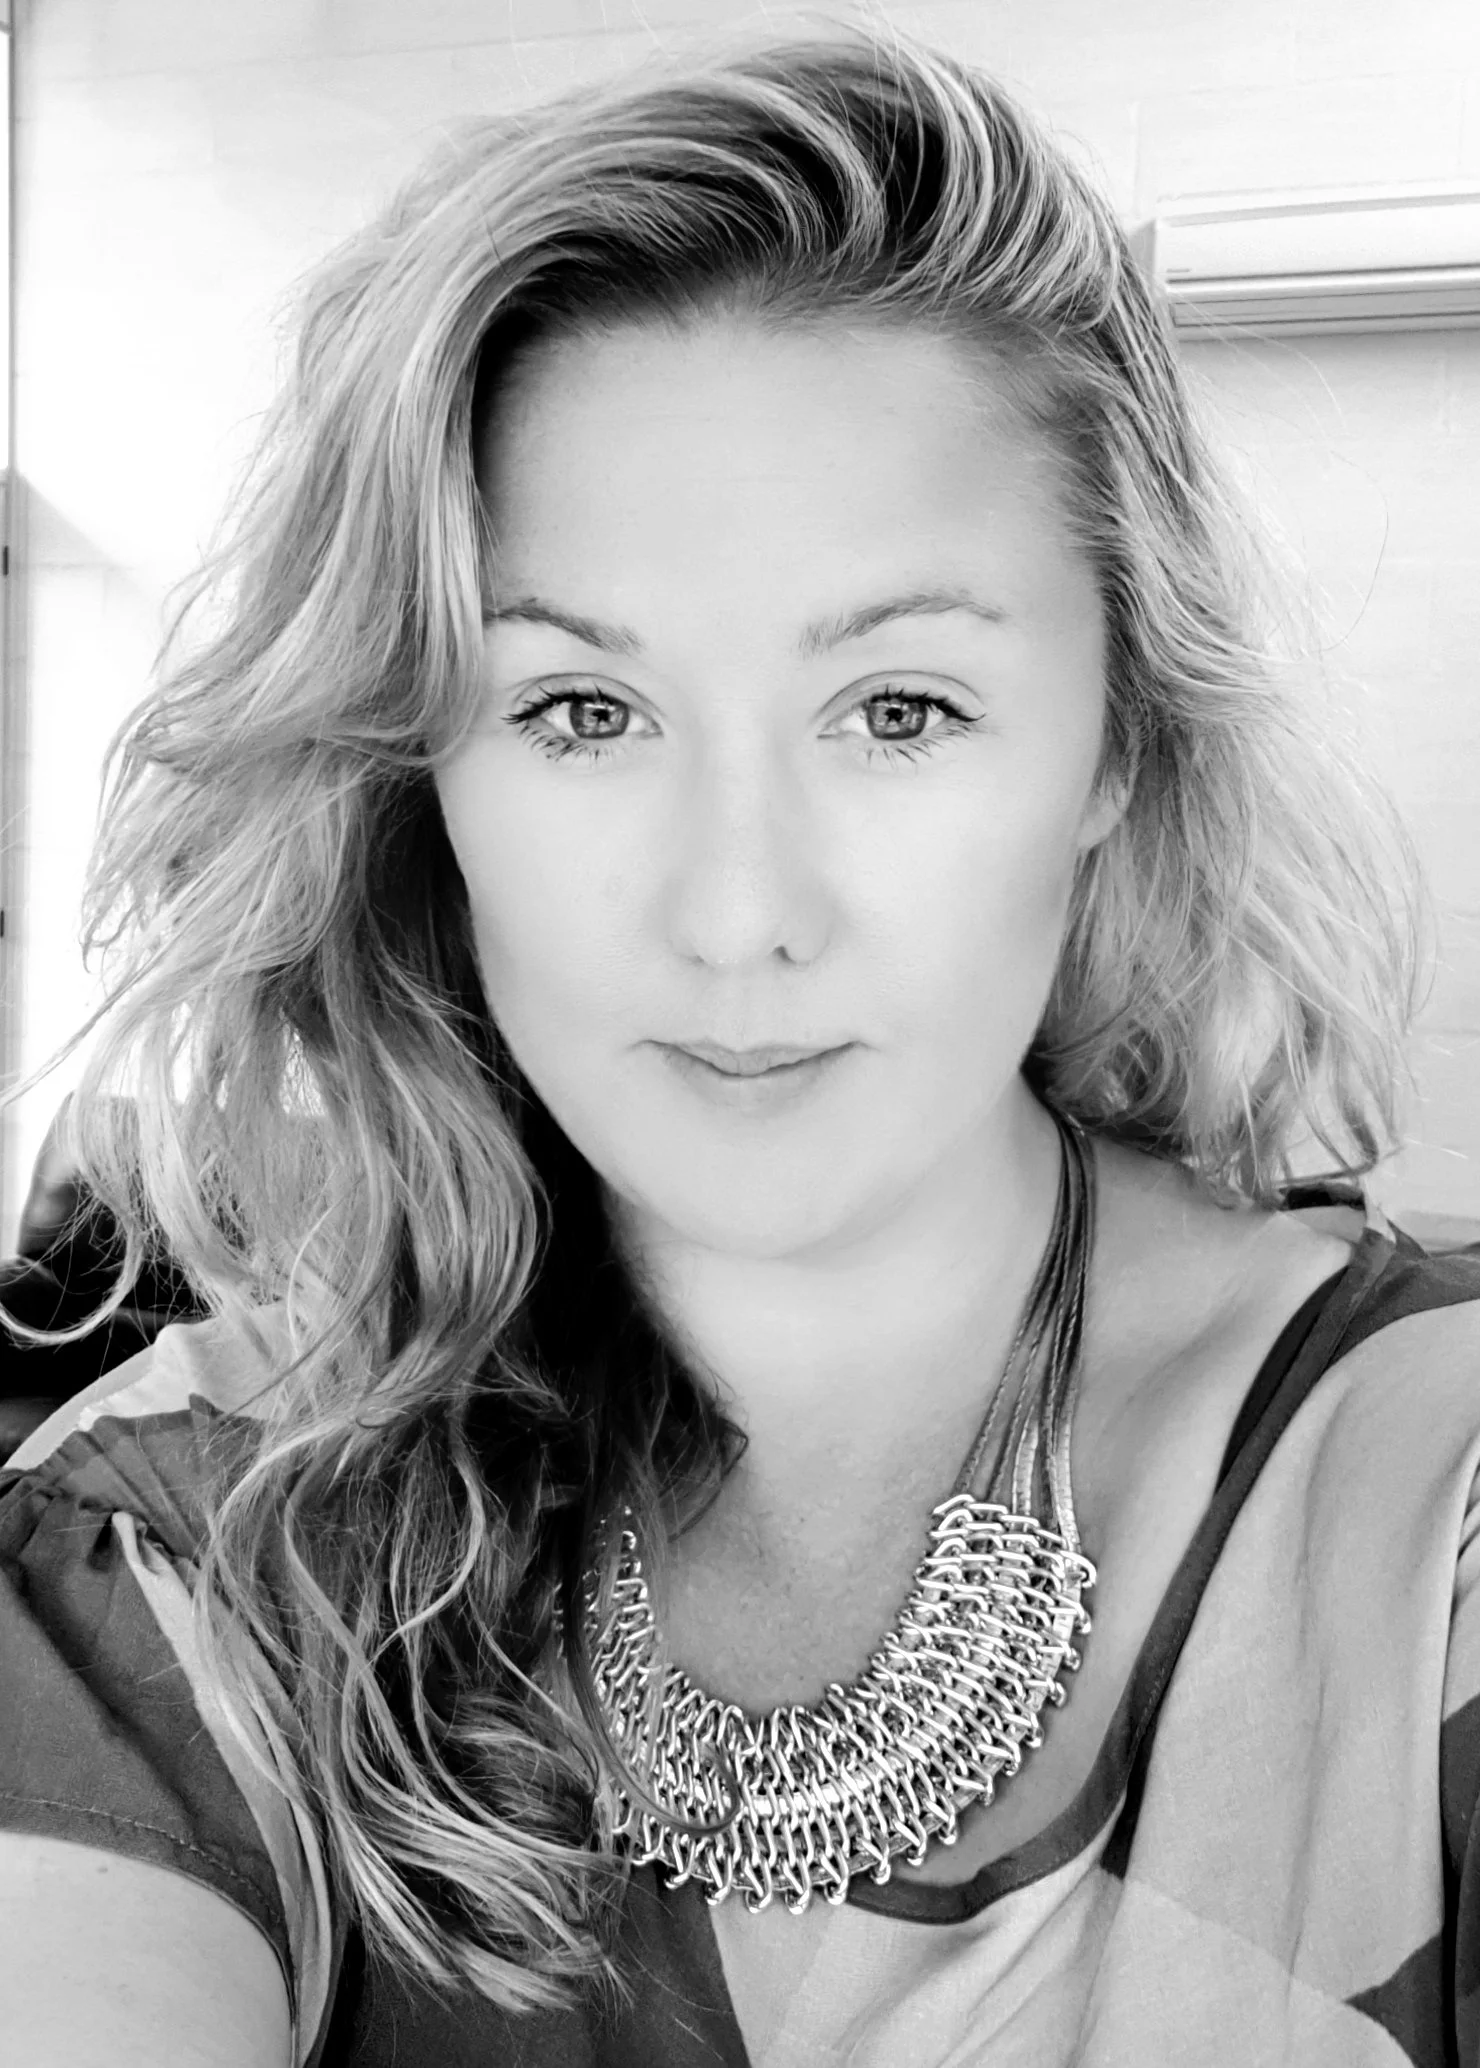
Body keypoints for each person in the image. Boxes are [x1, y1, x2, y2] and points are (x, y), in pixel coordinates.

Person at [0, 16, 1474, 2065]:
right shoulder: (176, 1546)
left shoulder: (1428, 1504)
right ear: (423, 775)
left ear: (1117, 744)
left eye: (899, 710)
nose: (735, 911)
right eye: (581, 712)